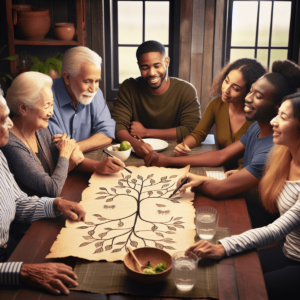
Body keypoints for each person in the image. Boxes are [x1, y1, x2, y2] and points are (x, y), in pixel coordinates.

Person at [145, 60, 300, 227]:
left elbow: (219, 190)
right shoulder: (257, 127)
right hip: (244, 199)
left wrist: (195, 180)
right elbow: (221, 155)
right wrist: (167, 161)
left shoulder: (270, 150)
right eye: (251, 91)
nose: (248, 99)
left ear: (279, 107)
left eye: (258, 96)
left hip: (257, 219)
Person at [186, 93, 300, 300]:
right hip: (287, 250)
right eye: (277, 114)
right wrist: (239, 174)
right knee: (223, 272)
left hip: (296, 260)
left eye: (283, 117)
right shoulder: (284, 156)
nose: (273, 121)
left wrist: (223, 247)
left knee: (242, 287)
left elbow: (276, 229)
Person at [0, 92, 85, 295]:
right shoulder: (11, 146)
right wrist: (22, 271)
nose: (10, 125)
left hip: (11, 248)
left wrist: (55, 204)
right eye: (3, 120)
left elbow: (18, 201)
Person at [3, 72, 125, 198]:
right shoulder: (10, 144)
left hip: (53, 201)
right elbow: (52, 188)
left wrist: (97, 165)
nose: (51, 112)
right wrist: (66, 153)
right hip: (36, 213)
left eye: (52, 104)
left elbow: (57, 169)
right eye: (46, 106)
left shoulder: (38, 128)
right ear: (23, 108)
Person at [111, 40, 201, 158]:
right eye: (145, 68)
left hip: (175, 153)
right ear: (139, 66)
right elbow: (117, 126)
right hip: (137, 152)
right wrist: (134, 143)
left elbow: (191, 129)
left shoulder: (186, 90)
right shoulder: (129, 87)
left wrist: (145, 132)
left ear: (166, 62)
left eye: (157, 66)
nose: (152, 73)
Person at [174, 58, 267, 170]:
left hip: (246, 176)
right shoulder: (216, 105)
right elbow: (199, 133)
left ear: (249, 92)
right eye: (226, 81)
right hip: (221, 171)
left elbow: (258, 162)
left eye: (235, 88)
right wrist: (184, 145)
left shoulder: (258, 119)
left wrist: (237, 174)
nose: (226, 90)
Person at [48, 46, 115, 153]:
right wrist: (94, 140)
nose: (93, 89)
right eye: (87, 81)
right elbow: (56, 150)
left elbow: (107, 133)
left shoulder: (95, 93)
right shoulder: (46, 96)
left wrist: (72, 146)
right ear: (67, 78)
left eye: (97, 81)